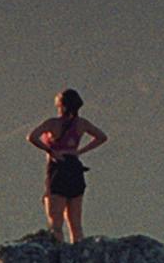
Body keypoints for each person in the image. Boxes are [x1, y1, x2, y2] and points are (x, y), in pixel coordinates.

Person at [28, 88, 106, 244]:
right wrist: (79, 151)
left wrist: (50, 151)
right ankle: (78, 256)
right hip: (75, 167)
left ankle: (58, 256)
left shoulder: (53, 124)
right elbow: (101, 137)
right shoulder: (81, 124)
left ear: (61, 105)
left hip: (58, 168)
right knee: (75, 223)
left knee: (55, 223)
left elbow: (32, 137)